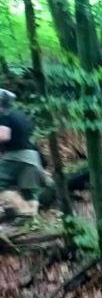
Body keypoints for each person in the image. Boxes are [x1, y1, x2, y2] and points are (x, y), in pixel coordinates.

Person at [0, 89, 48, 217]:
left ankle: (21, 209)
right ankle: (31, 217)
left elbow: (4, 136)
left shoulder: (4, 116)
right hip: (32, 156)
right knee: (29, 190)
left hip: (16, 156)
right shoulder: (20, 115)